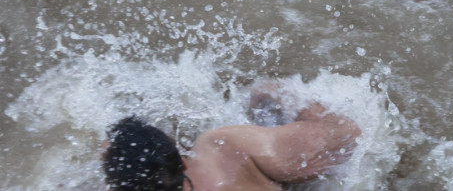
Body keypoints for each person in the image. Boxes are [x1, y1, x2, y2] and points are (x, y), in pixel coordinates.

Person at [101, 84, 360, 191]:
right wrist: (271, 93)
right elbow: (349, 132)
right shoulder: (223, 147)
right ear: (184, 162)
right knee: (262, 91)